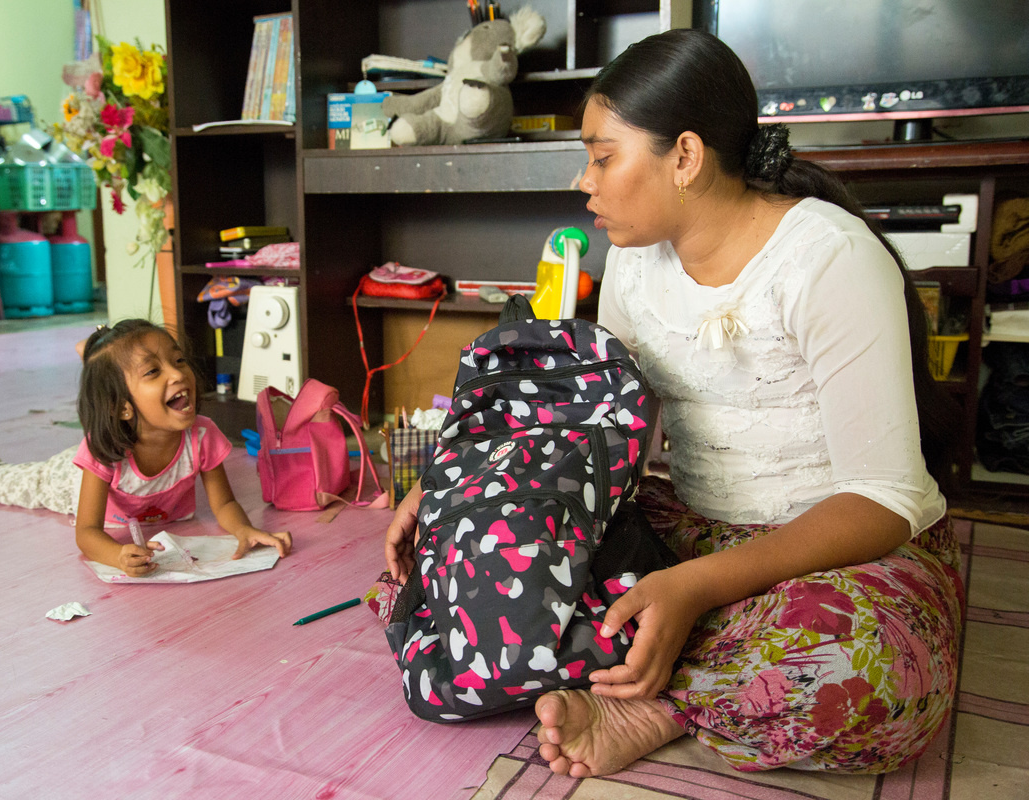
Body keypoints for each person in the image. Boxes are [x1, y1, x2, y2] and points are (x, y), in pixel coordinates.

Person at [384, 28, 963, 777]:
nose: (583, 182)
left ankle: (655, 704)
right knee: (464, 559)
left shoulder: (829, 259)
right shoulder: (634, 258)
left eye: (602, 156)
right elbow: (591, 422)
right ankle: (688, 669)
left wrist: (693, 590)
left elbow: (884, 497)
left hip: (833, 554)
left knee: (872, 673)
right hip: (682, 532)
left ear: (684, 156)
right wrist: (450, 490)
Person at [0, 319, 292, 574]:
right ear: (123, 407)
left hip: (119, 433)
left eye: (179, 361)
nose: (179, 374)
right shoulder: (101, 450)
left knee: (118, 374)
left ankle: (97, 357)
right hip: (63, 479)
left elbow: (224, 504)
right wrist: (116, 556)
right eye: (154, 371)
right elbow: (87, 533)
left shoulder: (202, 436)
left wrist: (243, 529)